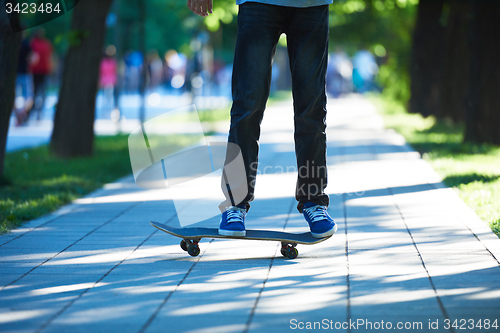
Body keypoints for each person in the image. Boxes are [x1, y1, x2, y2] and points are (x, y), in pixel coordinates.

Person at [187, 0, 337, 239]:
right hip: (259, 2)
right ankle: (235, 203)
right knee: (247, 106)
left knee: (312, 109)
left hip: (312, 4)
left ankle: (313, 201)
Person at [28, 28, 52, 121]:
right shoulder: (47, 44)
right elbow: (50, 57)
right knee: (42, 91)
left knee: (34, 92)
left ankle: (33, 111)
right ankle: (40, 111)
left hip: (34, 71)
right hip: (45, 71)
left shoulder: (32, 44)